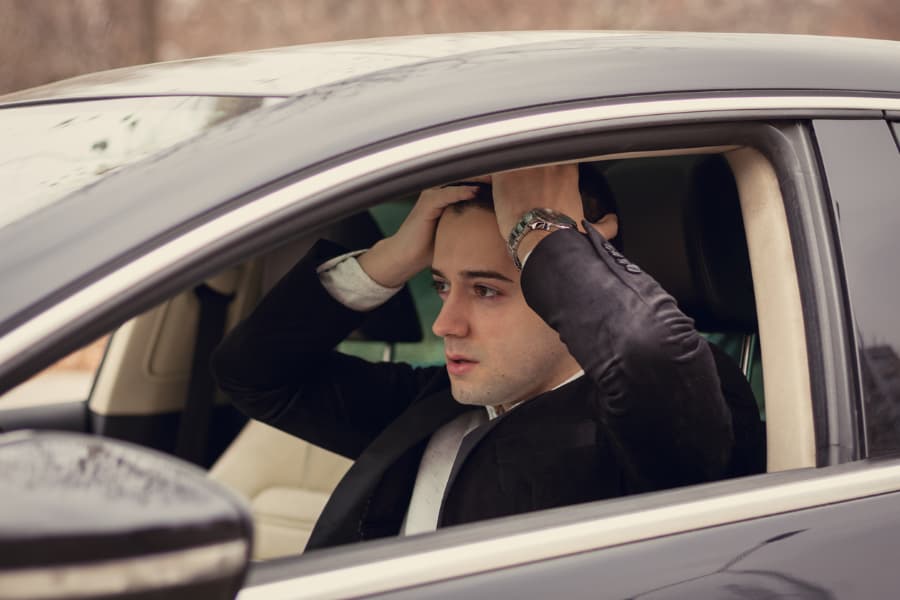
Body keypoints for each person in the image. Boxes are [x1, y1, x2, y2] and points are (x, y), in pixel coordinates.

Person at [212, 164, 762, 552]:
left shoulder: (657, 422)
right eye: (440, 284)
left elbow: (647, 354)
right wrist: (395, 255)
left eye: (486, 290)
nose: (444, 323)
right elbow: (253, 374)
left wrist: (545, 233)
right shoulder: (435, 406)